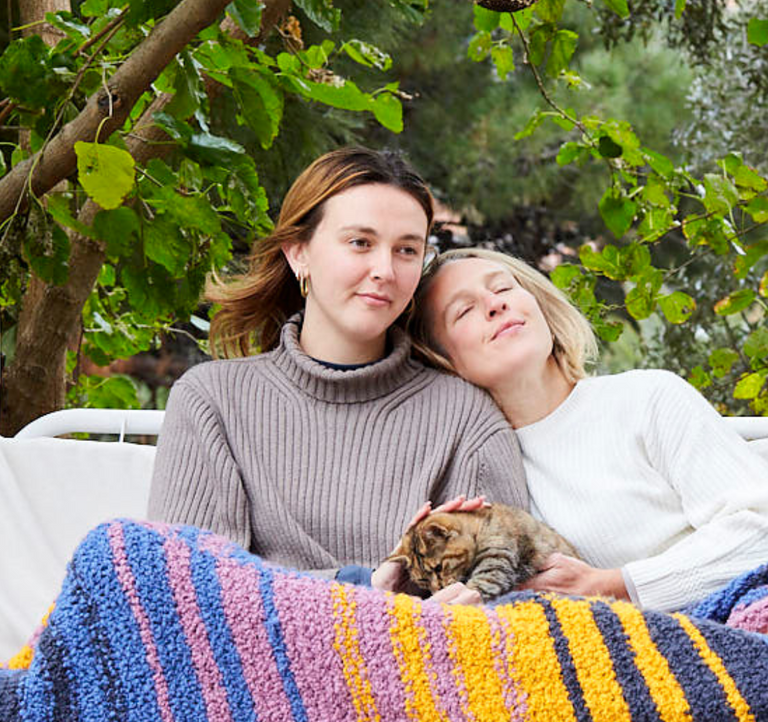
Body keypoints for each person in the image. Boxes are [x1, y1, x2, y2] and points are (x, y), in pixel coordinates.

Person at [147, 149, 527, 603]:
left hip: (409, 664)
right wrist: (362, 586)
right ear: (299, 253)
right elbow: (185, 585)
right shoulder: (212, 400)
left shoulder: (466, 419)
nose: (384, 271)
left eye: (406, 250)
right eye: (360, 243)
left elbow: (505, 595)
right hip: (245, 667)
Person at [408, 248, 768, 612]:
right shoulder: (486, 481)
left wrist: (611, 585)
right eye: (463, 311)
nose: (494, 304)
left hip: (753, 618)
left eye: (502, 288)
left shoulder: (648, 398)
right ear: (444, 361)